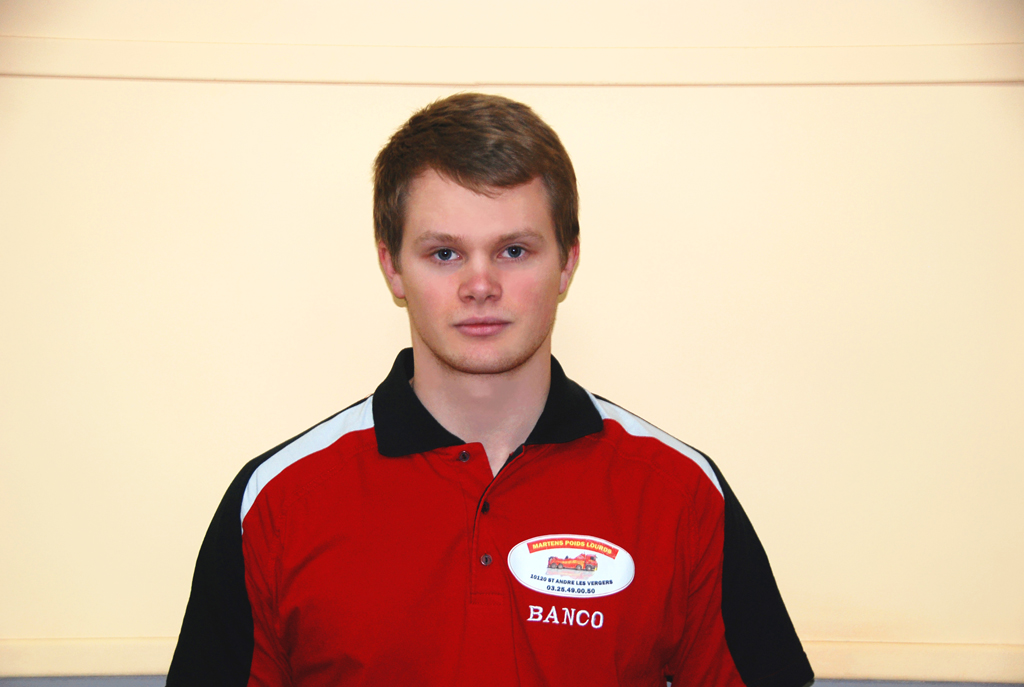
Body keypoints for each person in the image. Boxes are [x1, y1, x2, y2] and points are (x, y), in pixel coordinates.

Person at [166, 92, 814, 687]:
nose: (480, 285)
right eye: (445, 253)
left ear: (568, 261)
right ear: (393, 267)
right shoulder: (276, 505)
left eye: (513, 250)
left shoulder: (681, 496)